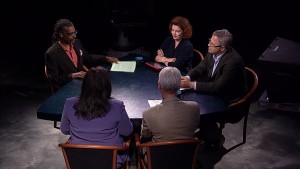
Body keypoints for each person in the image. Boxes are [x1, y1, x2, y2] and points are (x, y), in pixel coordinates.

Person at [180, 29, 246, 151]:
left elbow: (217, 87)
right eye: (209, 41)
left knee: (200, 110)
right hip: (215, 94)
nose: (208, 45)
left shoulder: (233, 61)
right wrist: (187, 77)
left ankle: (215, 138)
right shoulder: (212, 52)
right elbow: (200, 68)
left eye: (212, 43)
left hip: (230, 102)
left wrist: (190, 84)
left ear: (222, 48)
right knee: (189, 102)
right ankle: (206, 133)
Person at [60, 66, 133, 168]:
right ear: (107, 86)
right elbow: (127, 131)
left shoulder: (69, 103)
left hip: (78, 160)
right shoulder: (117, 105)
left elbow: (65, 130)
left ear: (84, 85)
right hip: (110, 162)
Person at [45, 18, 119, 89]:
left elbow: (88, 58)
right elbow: (54, 79)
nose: (74, 36)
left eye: (75, 32)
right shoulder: (52, 53)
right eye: (71, 34)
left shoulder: (77, 43)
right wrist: (72, 76)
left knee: (107, 83)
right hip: (68, 86)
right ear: (61, 34)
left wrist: (105, 58)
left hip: (82, 82)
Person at [141, 67, 200, 142]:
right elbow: (195, 127)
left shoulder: (148, 114)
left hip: (158, 153)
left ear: (159, 85)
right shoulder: (194, 107)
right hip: (187, 153)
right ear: (179, 85)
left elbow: (146, 135)